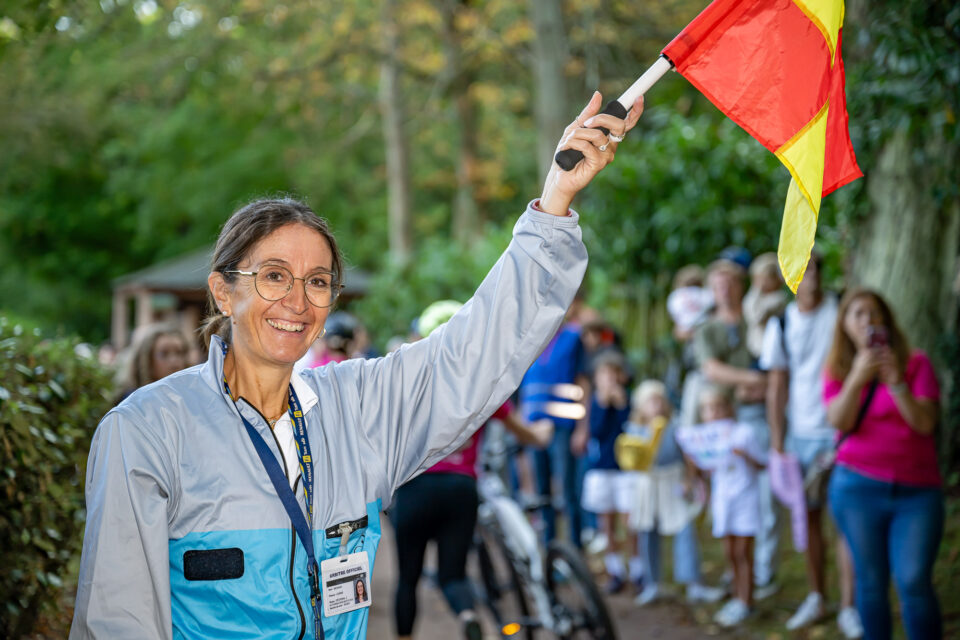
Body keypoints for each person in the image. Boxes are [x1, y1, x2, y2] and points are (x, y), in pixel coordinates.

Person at [69, 90, 645, 640]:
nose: (297, 302)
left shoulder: (357, 408)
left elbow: (473, 350)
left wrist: (554, 204)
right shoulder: (145, 430)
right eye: (273, 276)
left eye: (318, 282)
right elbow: (117, 620)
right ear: (223, 291)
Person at [392, 301, 552, 640]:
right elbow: (521, 431)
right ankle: (467, 615)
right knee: (454, 575)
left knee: (408, 578)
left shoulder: (405, 381)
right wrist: (541, 435)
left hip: (413, 488)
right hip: (461, 488)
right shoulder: (481, 383)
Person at [824, 289, 944, 640]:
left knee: (913, 580)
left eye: (874, 314)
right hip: (857, 489)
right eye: (858, 314)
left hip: (917, 493)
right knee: (871, 580)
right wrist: (857, 379)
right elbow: (839, 421)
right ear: (844, 325)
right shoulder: (837, 369)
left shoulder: (916, 363)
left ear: (887, 322)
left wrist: (896, 384)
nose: (867, 322)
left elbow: (925, 423)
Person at [759, 253, 862, 638]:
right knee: (811, 521)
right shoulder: (781, 323)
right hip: (800, 435)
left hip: (842, 430)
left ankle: (850, 606)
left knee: (847, 521)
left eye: (815, 268)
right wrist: (776, 440)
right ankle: (818, 596)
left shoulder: (841, 312)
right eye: (801, 270)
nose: (810, 277)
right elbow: (777, 385)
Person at [693, 254, 779, 597]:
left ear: (740, 286)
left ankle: (763, 571)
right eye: (718, 284)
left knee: (764, 496)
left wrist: (760, 384)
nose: (724, 290)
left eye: (730, 283)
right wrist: (752, 378)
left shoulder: (755, 319)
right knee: (731, 499)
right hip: (726, 422)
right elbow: (711, 370)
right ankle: (738, 570)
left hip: (758, 416)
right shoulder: (708, 328)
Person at [625, 380, 724, 606]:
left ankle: (694, 583)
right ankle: (653, 583)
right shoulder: (634, 430)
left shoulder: (676, 426)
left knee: (685, 529)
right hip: (648, 486)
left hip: (673, 483)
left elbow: (688, 456)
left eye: (660, 400)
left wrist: (690, 479)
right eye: (651, 401)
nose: (657, 405)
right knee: (647, 533)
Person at [677, 385, 767, 628]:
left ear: (729, 408)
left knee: (742, 553)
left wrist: (745, 455)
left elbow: (763, 464)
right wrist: (693, 463)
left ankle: (746, 601)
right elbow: (705, 472)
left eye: (717, 407)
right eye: (707, 409)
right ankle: (737, 598)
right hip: (723, 501)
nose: (713, 413)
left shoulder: (744, 434)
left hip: (745, 500)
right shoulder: (704, 439)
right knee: (730, 554)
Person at [518, 292, 591, 548]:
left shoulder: (573, 337)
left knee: (568, 491)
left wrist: (582, 428)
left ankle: (574, 548)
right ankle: (549, 550)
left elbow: (583, 383)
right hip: (533, 427)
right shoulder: (530, 341)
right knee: (542, 493)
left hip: (562, 426)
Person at [579, 349, 635, 593]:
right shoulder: (595, 403)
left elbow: (631, 430)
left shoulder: (628, 399)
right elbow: (597, 431)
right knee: (607, 525)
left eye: (613, 373)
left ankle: (637, 569)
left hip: (624, 470)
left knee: (630, 523)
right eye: (604, 373)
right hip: (601, 470)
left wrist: (621, 404)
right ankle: (615, 571)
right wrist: (603, 404)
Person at [115, 323, 191, 401]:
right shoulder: (131, 402)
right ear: (147, 360)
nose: (174, 360)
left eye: (179, 352)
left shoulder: (190, 397)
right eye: (164, 354)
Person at [743, 252, 787, 359]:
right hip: (756, 353)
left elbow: (756, 316)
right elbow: (749, 310)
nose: (761, 282)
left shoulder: (778, 299)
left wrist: (756, 289)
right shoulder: (756, 299)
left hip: (772, 353)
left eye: (766, 278)